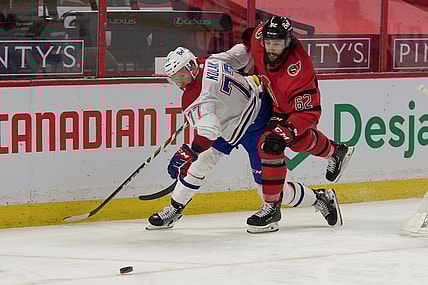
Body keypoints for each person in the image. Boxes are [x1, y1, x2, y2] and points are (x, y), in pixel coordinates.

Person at [146, 46, 342, 233]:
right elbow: (243, 53)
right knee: (201, 164)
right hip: (233, 119)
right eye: (174, 78)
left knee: (269, 189)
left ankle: (319, 198)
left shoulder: (195, 97)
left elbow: (208, 133)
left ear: (190, 67)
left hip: (256, 123)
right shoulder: (209, 61)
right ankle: (175, 208)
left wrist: (189, 151)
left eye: (181, 75)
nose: (178, 82)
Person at [235, 16, 354, 232]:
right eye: (269, 43)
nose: (271, 48)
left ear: (288, 42)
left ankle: (271, 207)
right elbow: (250, 34)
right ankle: (336, 151)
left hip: (298, 110)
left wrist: (285, 131)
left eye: (277, 44)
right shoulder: (260, 36)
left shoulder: (299, 69)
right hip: (277, 104)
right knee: (296, 142)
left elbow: (307, 113)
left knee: (271, 144)